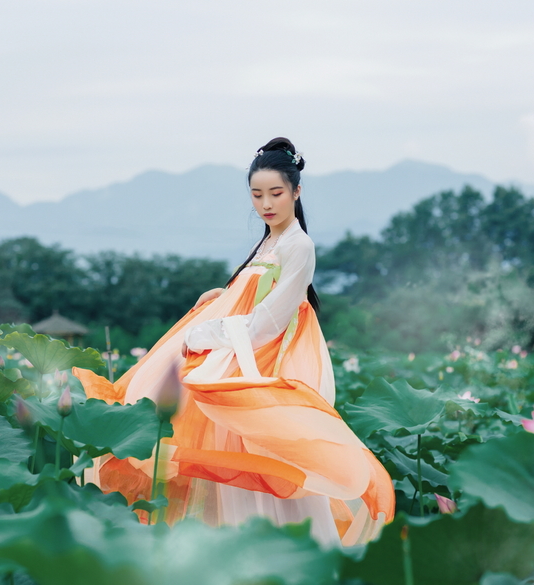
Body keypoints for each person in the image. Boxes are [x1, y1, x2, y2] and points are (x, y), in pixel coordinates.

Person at [73, 137, 395, 547]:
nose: (266, 203)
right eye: (257, 195)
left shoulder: (299, 245)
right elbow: (253, 293)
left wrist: (204, 334)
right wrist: (221, 296)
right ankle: (211, 559)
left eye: (276, 193)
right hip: (237, 353)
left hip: (260, 360)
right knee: (193, 436)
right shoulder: (269, 241)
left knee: (260, 456)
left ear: (297, 191)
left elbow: (270, 321)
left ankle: (272, 562)